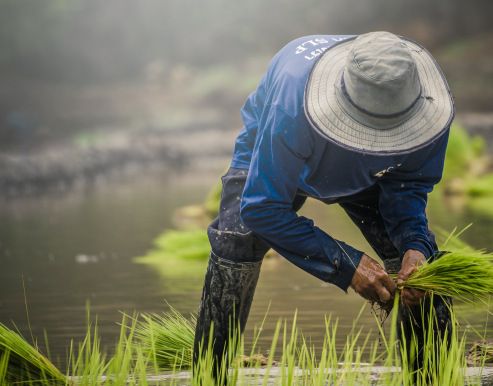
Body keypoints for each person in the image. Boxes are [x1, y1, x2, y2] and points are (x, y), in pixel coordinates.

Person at [193, 31, 455, 375]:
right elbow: (261, 207)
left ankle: (428, 377)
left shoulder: (423, 108)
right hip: (282, 153)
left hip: (373, 173)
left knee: (424, 272)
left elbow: (408, 188)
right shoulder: (291, 108)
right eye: (371, 133)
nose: (377, 140)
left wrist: (415, 247)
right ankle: (209, 375)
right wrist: (346, 265)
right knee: (236, 240)